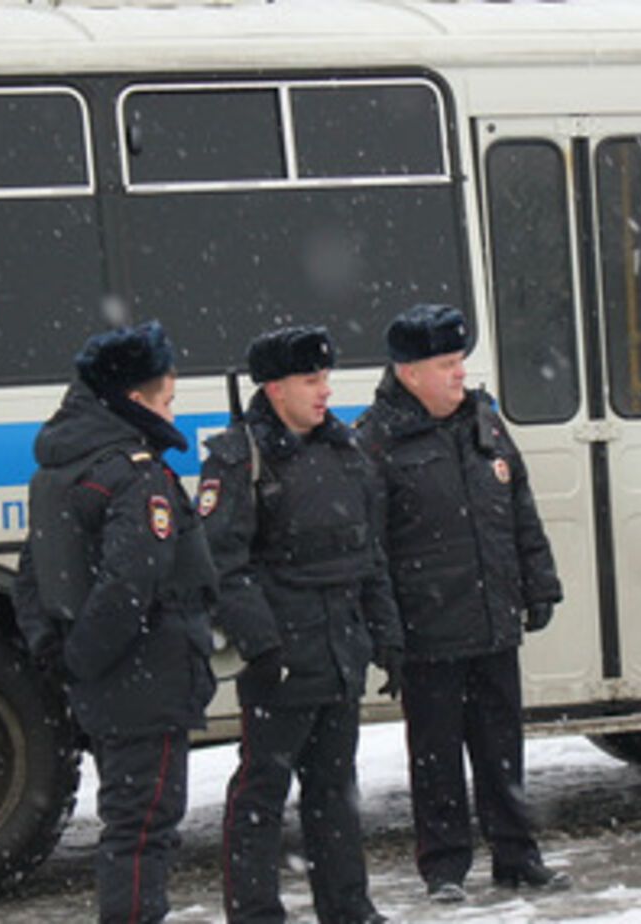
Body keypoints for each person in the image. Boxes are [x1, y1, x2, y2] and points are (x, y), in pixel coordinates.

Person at [355, 304, 569, 903]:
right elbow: (370, 547)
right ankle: (444, 866)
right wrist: (386, 632)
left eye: (460, 362)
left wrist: (539, 582)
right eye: (446, 364)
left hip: (494, 619)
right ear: (409, 373)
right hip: (430, 631)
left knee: (503, 748)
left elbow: (518, 508)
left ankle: (517, 854)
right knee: (436, 756)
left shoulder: (485, 423)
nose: (459, 374)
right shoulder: (376, 440)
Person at [12, 321, 219, 924]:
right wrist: (84, 656)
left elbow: (31, 575)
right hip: (145, 681)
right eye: (166, 399)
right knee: (142, 831)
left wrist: (56, 649)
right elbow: (132, 582)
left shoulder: (60, 470)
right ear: (135, 399)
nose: (171, 411)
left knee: (129, 824)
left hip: (110, 685)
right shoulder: (133, 472)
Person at [200, 326, 402, 924]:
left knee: (335, 792)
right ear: (275, 386)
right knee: (262, 791)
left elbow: (370, 555)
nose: (325, 392)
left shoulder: (345, 451)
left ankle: (347, 908)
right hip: (283, 658)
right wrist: (263, 643)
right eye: (311, 380)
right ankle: (256, 912)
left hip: (340, 649)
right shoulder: (239, 458)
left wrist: (385, 634)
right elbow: (219, 563)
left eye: (326, 378)